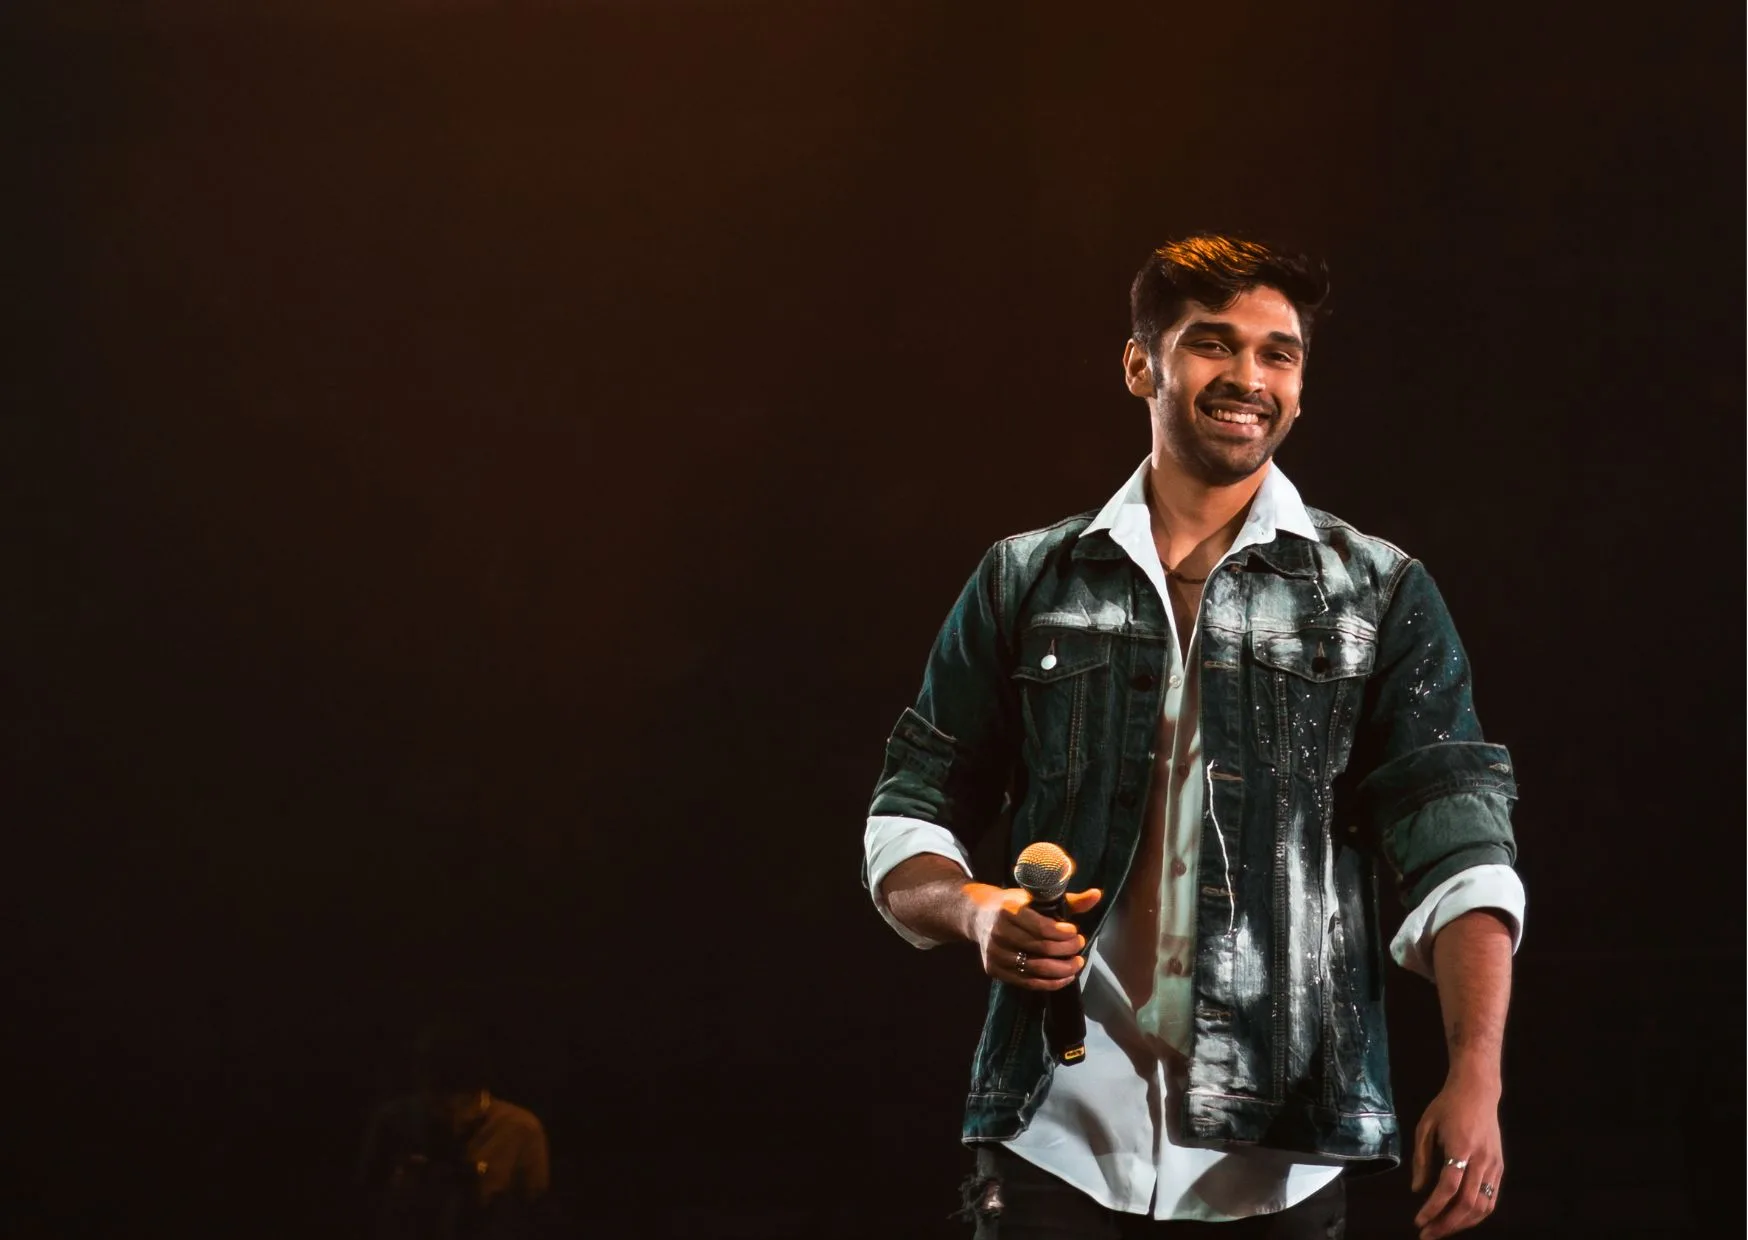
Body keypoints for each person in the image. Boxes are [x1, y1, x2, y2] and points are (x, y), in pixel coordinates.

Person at [862, 235, 1523, 1240]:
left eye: (1277, 353)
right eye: (1213, 344)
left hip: (1281, 1146)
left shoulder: (1378, 591)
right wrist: (974, 910)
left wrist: (1476, 1076)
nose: (1247, 377)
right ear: (1141, 365)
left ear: (1298, 386)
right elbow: (909, 808)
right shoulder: (1024, 580)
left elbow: (1460, 848)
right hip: (1057, 1124)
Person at [357, 1019, 552, 1240]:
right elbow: (365, 1205)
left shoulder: (519, 1129)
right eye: (437, 1101)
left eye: (463, 1103)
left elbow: (535, 1214)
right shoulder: (393, 1122)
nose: (452, 1117)